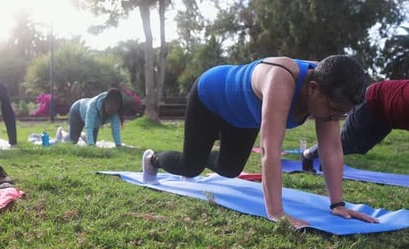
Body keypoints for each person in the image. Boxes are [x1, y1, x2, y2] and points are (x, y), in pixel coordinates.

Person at [142, 55, 379, 228]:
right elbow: (270, 151)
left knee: (229, 169)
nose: (334, 118)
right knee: (190, 166)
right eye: (334, 110)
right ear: (313, 88)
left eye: (341, 114)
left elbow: (332, 150)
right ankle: (153, 160)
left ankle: (201, 155)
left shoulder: (330, 87)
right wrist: (276, 212)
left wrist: (337, 203)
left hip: (241, 117)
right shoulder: (282, 79)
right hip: (211, 97)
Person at [302, 79, 408, 168]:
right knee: (346, 141)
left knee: (361, 147)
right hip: (372, 101)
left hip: (387, 115)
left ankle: (325, 157)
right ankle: (308, 155)